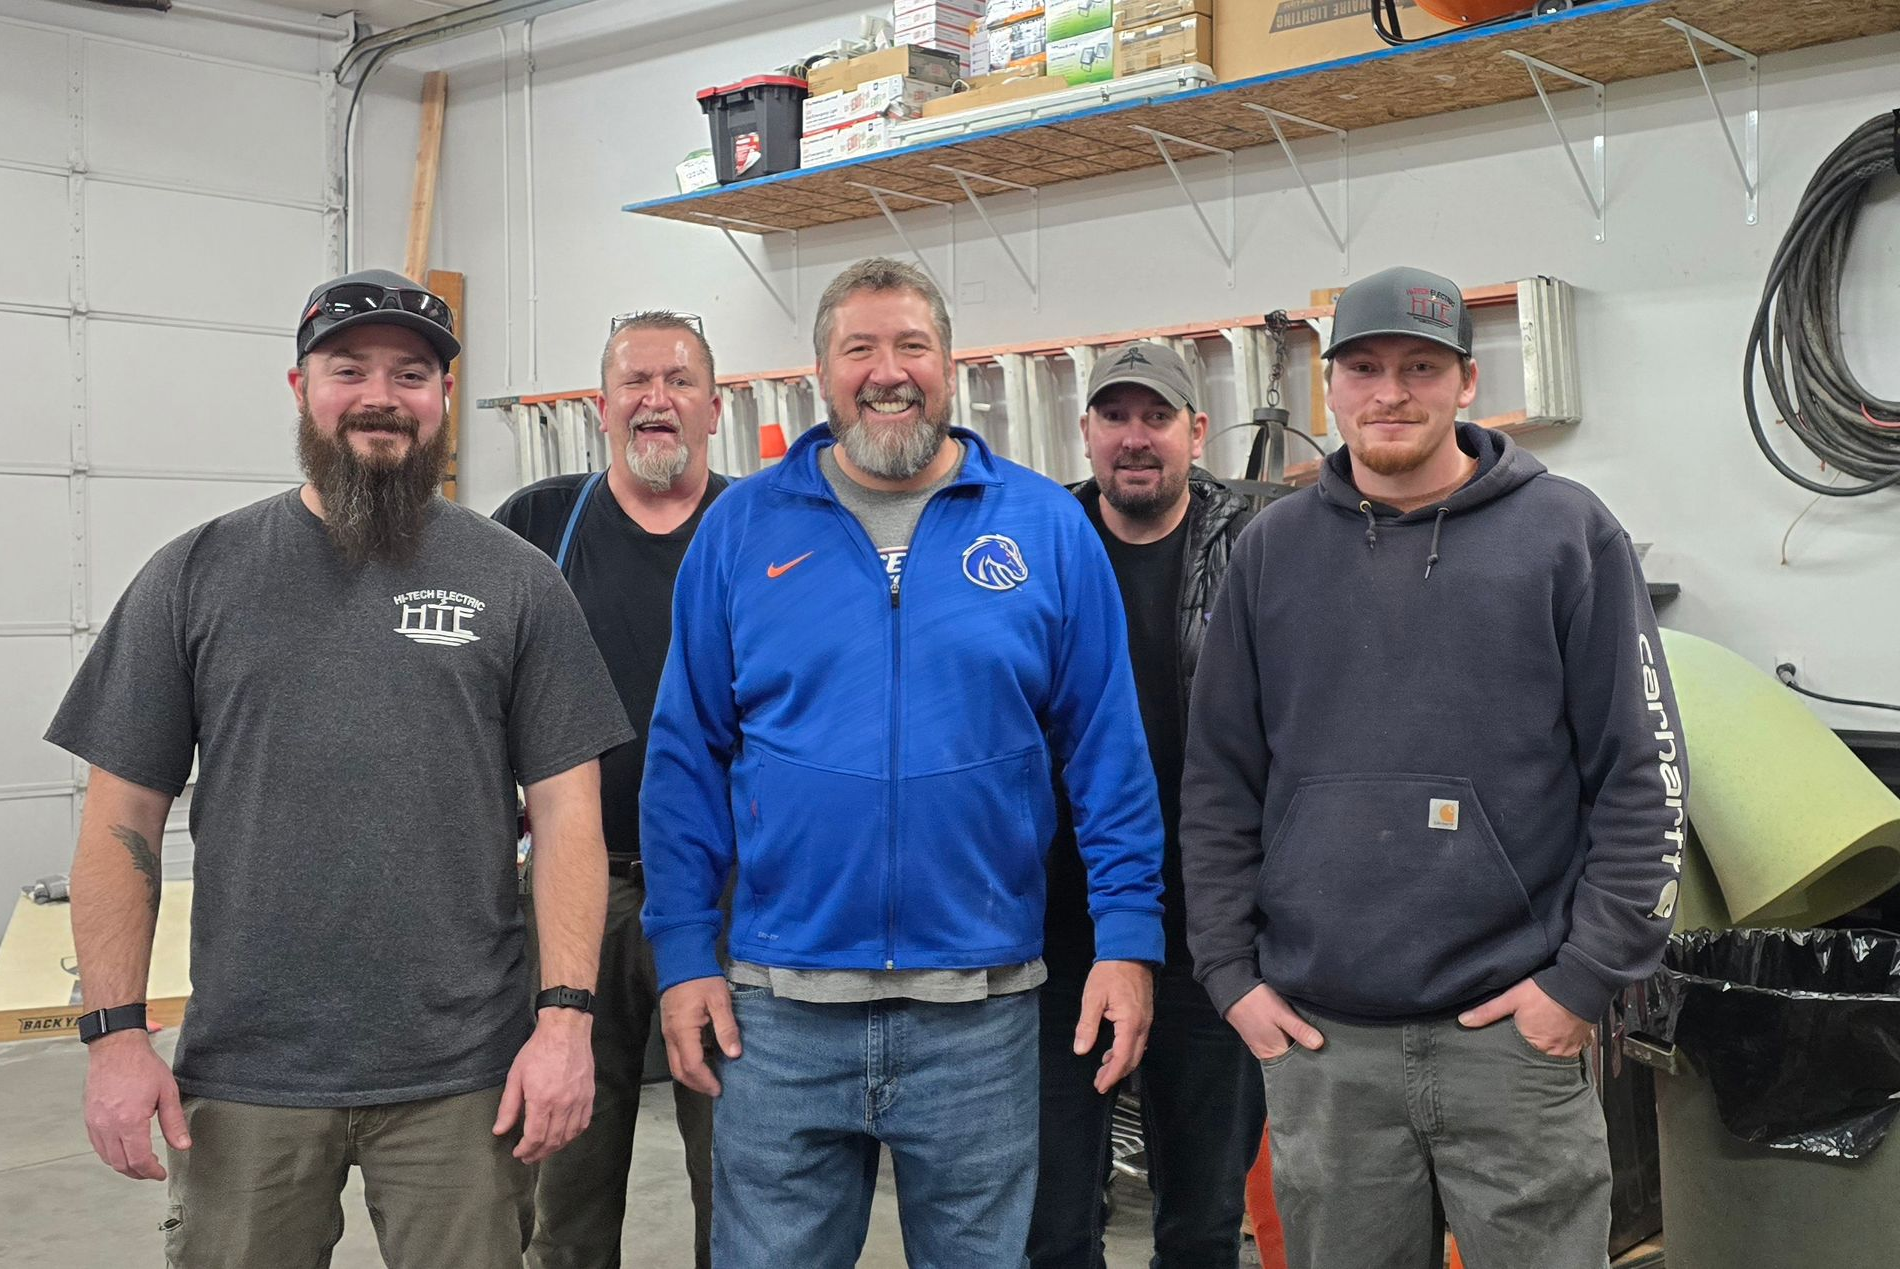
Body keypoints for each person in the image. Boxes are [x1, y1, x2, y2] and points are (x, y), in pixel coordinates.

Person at [46, 268, 630, 1269]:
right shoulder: (197, 574)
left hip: (465, 1076)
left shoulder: (516, 581)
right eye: (348, 369)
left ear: (443, 397)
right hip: (248, 1074)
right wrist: (114, 1034)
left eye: (411, 374)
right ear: (300, 388)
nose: (380, 397)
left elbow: (571, 819)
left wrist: (566, 1023)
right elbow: (120, 820)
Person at [639, 256, 1167, 1268]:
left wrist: (1127, 939)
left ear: (950, 365)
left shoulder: (1044, 527)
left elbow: (1108, 753)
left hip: (979, 1009)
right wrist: (684, 956)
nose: (888, 372)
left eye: (912, 346)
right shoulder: (742, 529)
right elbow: (685, 759)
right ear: (821, 374)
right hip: (779, 1010)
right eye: (861, 349)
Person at [1181, 265, 1687, 1269]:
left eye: (1421, 367)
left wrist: (1582, 981)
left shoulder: (1566, 534)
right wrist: (1229, 973)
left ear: (1466, 382)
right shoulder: (1271, 552)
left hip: (1512, 1039)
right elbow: (1217, 784)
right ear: (1332, 386)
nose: (1391, 392)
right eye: (1364, 368)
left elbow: (1645, 776)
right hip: (1323, 1048)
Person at [493, 310, 729, 1268]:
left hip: (729, 900)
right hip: (573, 893)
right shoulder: (537, 526)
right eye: (635, 381)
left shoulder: (762, 527)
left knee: (742, 1181)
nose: (655, 398)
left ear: (713, 407)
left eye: (678, 380)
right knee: (565, 1181)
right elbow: (470, 691)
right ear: (602, 406)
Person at [1030, 342, 1265, 1268]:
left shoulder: (1255, 547)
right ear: (1085, 430)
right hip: (1056, 932)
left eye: (1157, 417)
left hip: (1208, 931)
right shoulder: (1035, 547)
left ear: (1196, 432)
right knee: (1050, 1222)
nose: (1135, 437)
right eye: (1115, 416)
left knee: (1203, 1220)